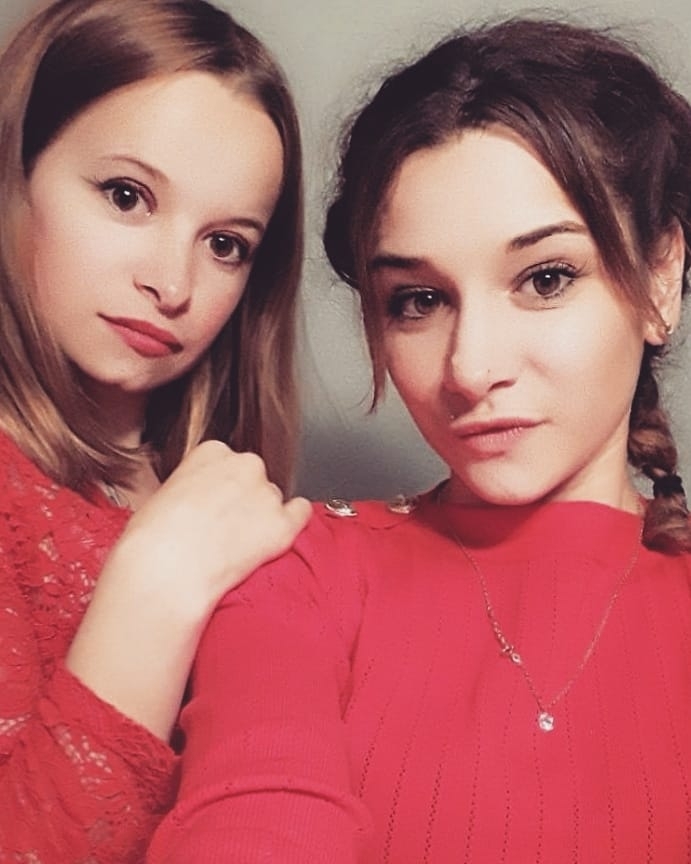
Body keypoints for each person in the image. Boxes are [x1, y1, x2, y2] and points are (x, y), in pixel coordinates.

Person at [147, 16, 691, 863]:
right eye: (418, 300)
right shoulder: (300, 572)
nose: (469, 368)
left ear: (660, 279)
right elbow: (254, 812)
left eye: (544, 278)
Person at [0, 0, 312, 861]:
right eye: (127, 196)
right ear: (15, 173)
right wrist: (153, 589)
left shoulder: (227, 499)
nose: (173, 284)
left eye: (225, 244)